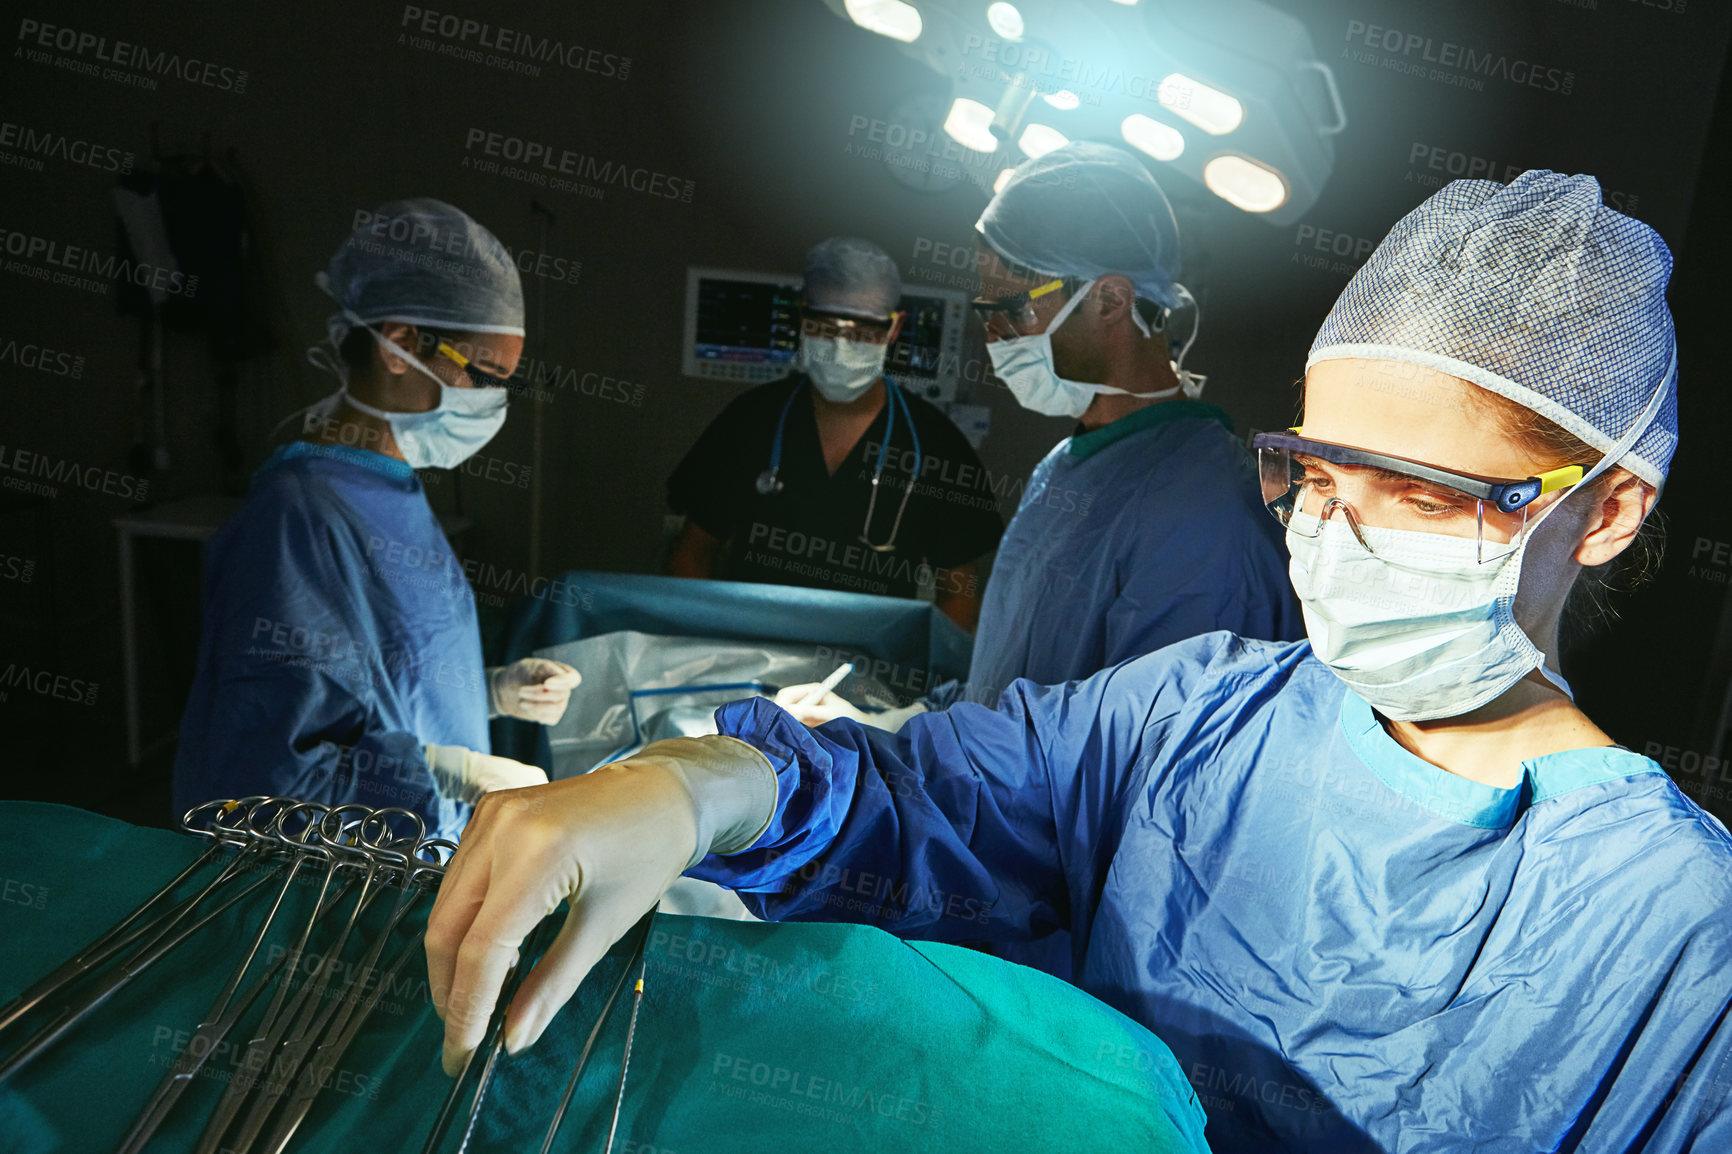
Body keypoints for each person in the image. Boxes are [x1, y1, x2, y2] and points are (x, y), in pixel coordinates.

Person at [423, 173, 1732, 1151]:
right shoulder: (1199, 711)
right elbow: (929, 796)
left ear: (1603, 512)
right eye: (1316, 474)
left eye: (1421, 493)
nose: (1330, 532)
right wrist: (697, 783)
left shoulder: (1682, 941)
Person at [780, 143, 1300, 728]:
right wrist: (892, 722)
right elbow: (1004, 684)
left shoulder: (1204, 519)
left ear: (1110, 298)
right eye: (987, 311)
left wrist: (916, 751)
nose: (996, 335)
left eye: (1015, 310)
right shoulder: (1069, 465)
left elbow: (1133, 757)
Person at [174, 199, 579, 841]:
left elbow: (380, 680)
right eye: (485, 374)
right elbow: (264, 784)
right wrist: (451, 772)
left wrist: (490, 691)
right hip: (338, 894)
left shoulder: (390, 485)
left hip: (415, 863)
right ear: (399, 347)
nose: (495, 400)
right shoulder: (297, 520)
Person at [666, 237, 1002, 628]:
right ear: (801, 317)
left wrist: (929, 680)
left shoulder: (935, 445)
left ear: (894, 329)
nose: (841, 347)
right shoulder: (751, 420)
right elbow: (691, 554)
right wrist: (700, 652)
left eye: (863, 331)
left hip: (875, 668)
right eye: (825, 327)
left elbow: (959, 590)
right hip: (752, 647)